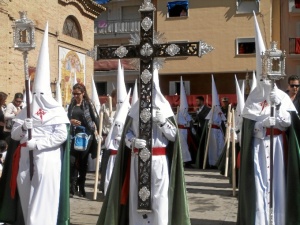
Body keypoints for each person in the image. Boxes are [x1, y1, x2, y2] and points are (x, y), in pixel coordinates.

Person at [97, 69, 190, 225]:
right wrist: (132, 141)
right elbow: (127, 134)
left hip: (158, 160)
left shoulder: (165, 108)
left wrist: (162, 122)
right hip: (137, 160)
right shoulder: (134, 110)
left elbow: (174, 136)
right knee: (136, 198)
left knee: (159, 199)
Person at [0, 23, 70, 225]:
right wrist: (23, 127)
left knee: (43, 197)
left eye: (41, 93)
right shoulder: (25, 110)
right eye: (35, 93)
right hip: (24, 158)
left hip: (47, 158)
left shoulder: (56, 110)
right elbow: (13, 135)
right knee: (26, 195)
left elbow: (61, 135)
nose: (38, 98)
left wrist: (38, 144)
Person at [237, 13, 297, 225]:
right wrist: (261, 124)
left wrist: (279, 107)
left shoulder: (281, 95)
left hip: (278, 147)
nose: (265, 80)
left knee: (278, 184)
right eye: (261, 77)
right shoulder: (253, 98)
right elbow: (247, 128)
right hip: (259, 148)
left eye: (267, 76)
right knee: (259, 183)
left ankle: (278, 220)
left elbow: (290, 124)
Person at [68, 83, 99, 197]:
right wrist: (71, 121)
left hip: (86, 137)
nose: (75, 96)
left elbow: (95, 118)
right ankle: (72, 187)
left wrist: (100, 133)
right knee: (72, 161)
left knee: (82, 162)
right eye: (74, 93)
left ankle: (81, 187)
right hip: (74, 136)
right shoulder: (71, 104)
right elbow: (67, 117)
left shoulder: (88, 104)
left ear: (83, 93)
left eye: (78, 94)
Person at [99, 90, 117, 193]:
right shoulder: (105, 107)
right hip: (107, 137)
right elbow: (100, 121)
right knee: (106, 162)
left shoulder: (122, 108)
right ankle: (103, 186)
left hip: (117, 139)